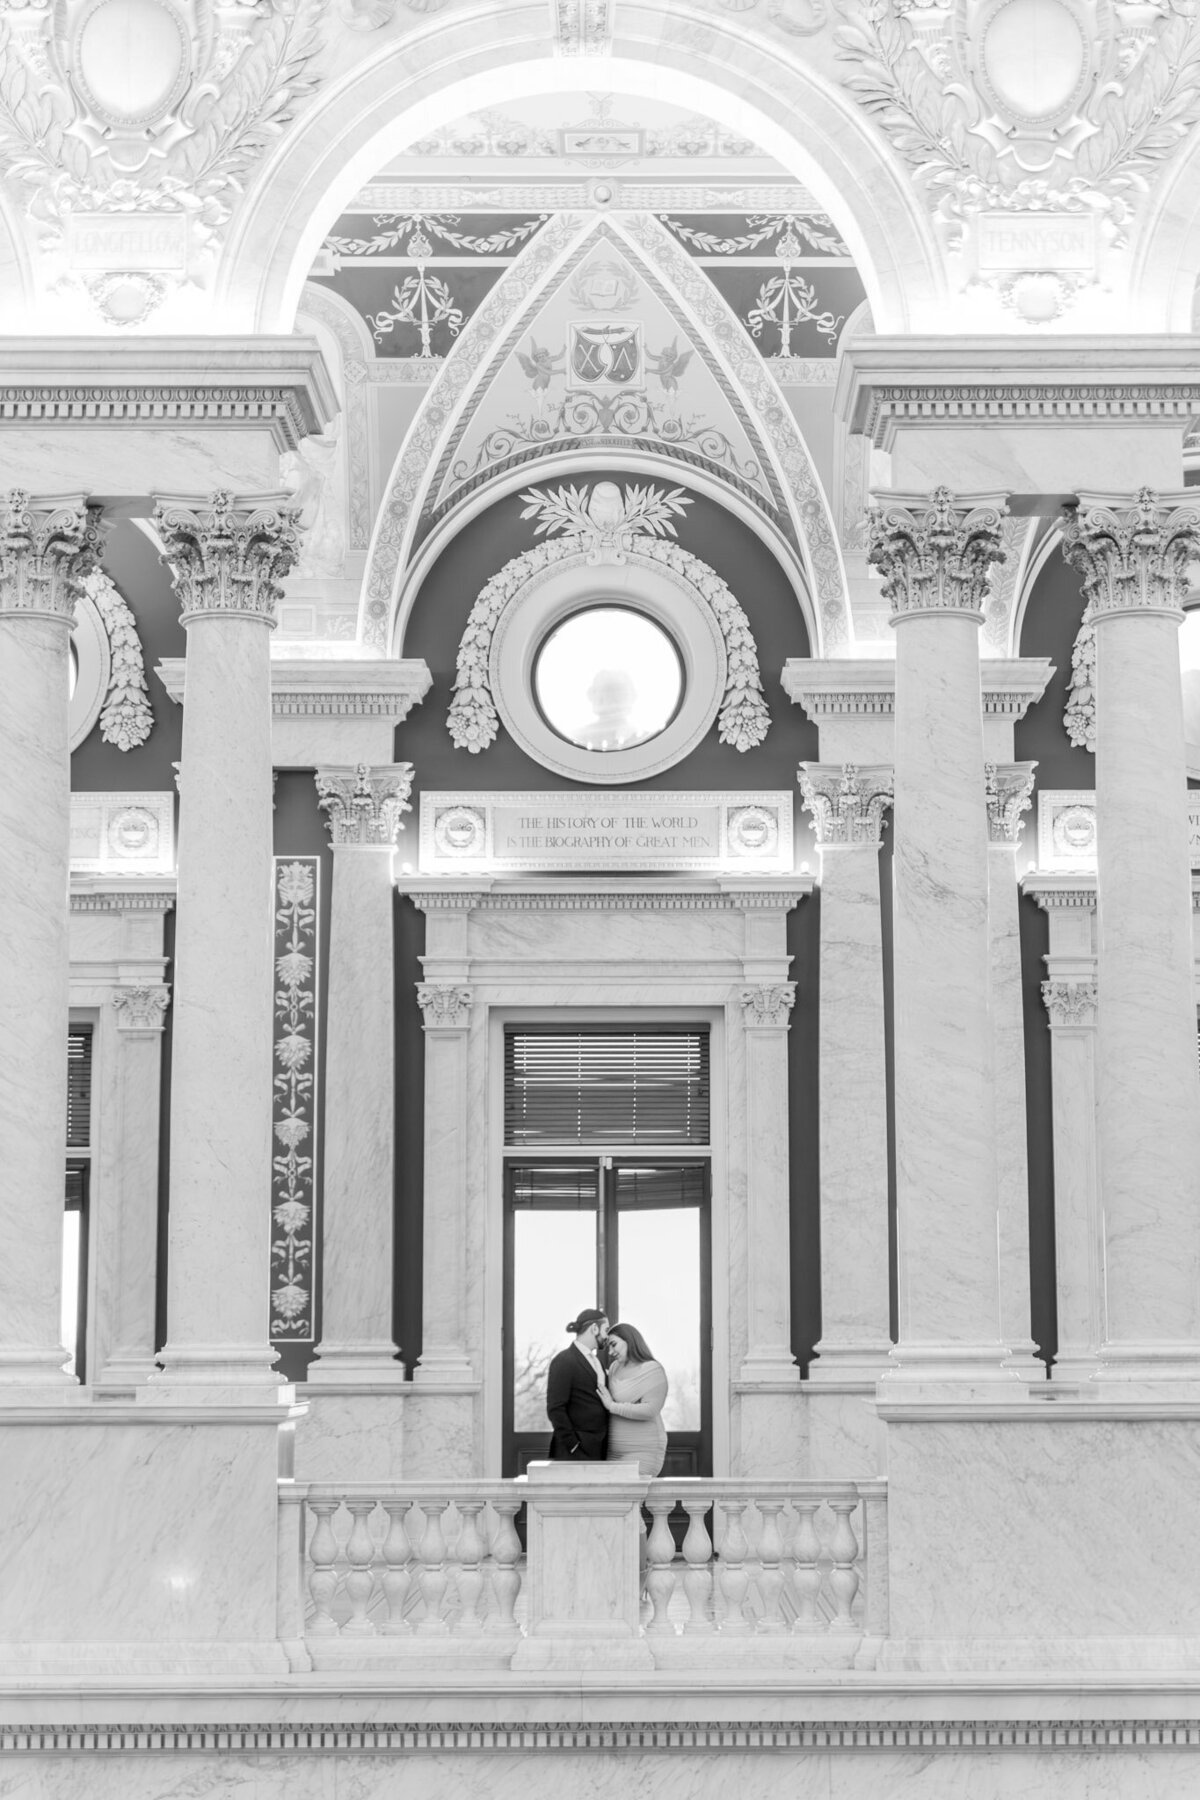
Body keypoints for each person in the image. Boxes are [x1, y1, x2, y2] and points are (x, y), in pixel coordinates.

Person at [598, 1322, 668, 1477]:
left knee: (626, 1491)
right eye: (608, 1347)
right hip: (613, 1452)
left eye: (614, 1345)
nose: (610, 1352)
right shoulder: (615, 1367)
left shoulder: (652, 1369)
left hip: (644, 1451)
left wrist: (612, 1406)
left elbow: (650, 1410)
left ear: (629, 1340)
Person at [545, 1308, 610, 1461]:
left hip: (598, 1449)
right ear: (594, 1328)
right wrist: (573, 1444)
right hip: (574, 1452)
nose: (607, 1336)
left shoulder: (597, 1362)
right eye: (606, 1330)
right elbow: (555, 1408)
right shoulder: (563, 1360)